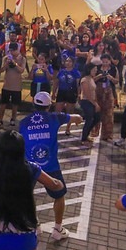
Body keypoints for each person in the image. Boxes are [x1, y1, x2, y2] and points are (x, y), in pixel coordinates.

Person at [19, 92, 83, 241]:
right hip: (50, 166)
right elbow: (76, 117)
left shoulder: (23, 122)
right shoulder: (55, 117)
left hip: (29, 165)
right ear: (49, 106)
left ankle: (34, 225)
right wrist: (78, 119)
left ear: (33, 104)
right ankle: (58, 229)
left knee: (27, 196)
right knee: (59, 195)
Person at [0, 42, 25, 128]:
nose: (11, 53)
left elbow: (21, 70)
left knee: (15, 104)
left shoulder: (22, 58)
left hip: (16, 86)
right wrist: (6, 64)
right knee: (3, 103)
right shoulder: (6, 58)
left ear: (17, 50)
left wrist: (15, 64)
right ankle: (0, 119)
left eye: (13, 51)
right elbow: (0, 70)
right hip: (7, 85)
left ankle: (13, 119)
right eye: (10, 51)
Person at [95, 53, 119, 141]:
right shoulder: (97, 68)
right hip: (98, 91)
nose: (105, 63)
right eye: (103, 61)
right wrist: (99, 76)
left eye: (107, 61)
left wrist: (111, 78)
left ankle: (107, 135)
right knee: (97, 112)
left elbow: (117, 81)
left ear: (109, 61)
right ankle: (95, 132)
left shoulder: (113, 69)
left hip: (109, 92)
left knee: (109, 114)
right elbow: (92, 79)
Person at [54, 57, 81, 136]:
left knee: (69, 111)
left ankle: (68, 128)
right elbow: (56, 82)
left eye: (70, 61)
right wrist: (54, 92)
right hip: (61, 92)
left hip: (71, 92)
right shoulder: (61, 71)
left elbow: (78, 85)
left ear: (73, 63)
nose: (68, 63)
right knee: (57, 110)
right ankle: (55, 127)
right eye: (66, 61)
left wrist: (79, 94)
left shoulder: (76, 72)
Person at [79, 64, 100, 144]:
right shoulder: (85, 80)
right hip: (86, 101)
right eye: (94, 70)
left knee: (96, 118)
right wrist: (95, 104)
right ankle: (84, 138)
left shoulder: (91, 78)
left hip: (92, 101)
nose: (95, 71)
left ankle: (87, 134)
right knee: (89, 120)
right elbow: (87, 94)